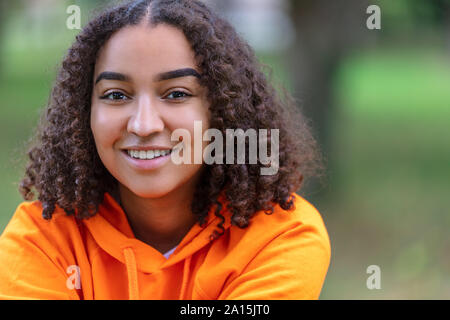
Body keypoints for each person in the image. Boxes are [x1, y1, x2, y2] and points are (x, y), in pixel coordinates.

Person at [0, 0, 331, 300]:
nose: (144, 126)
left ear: (223, 110)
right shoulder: (41, 239)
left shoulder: (281, 236)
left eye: (176, 94)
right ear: (83, 114)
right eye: (116, 95)